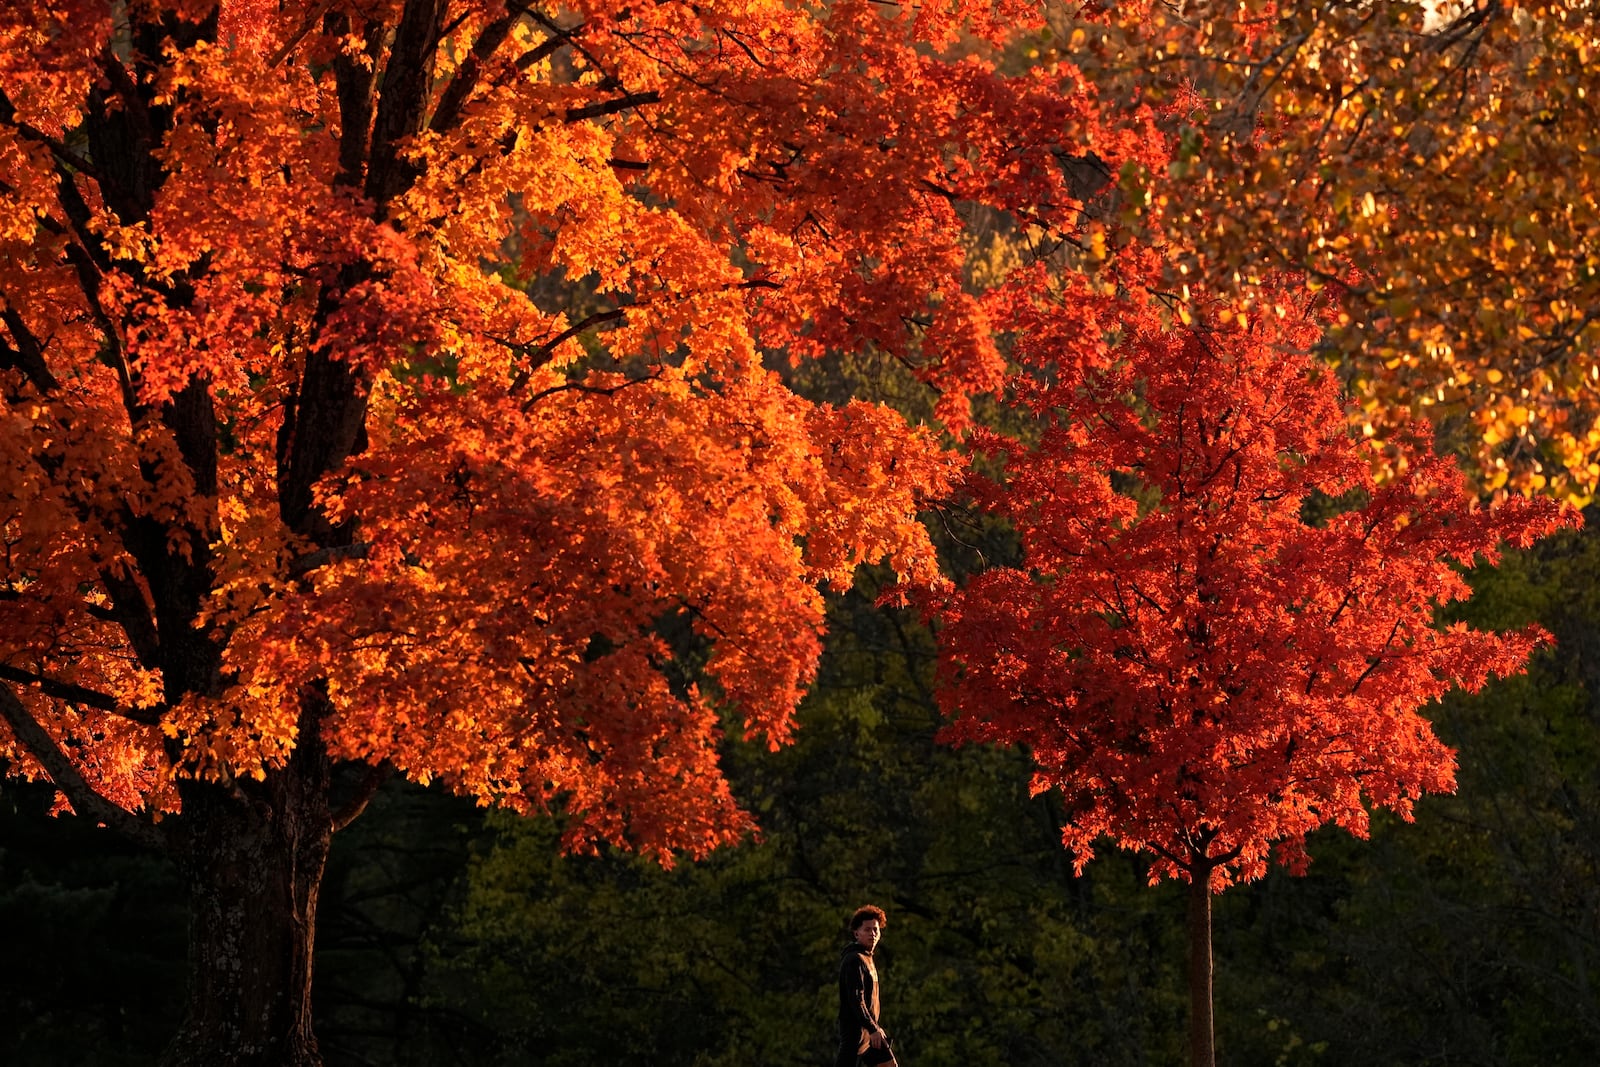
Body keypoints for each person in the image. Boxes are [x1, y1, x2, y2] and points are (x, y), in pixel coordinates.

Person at [835, 904, 896, 1066]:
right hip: (855, 1033)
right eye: (867, 930)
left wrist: (875, 1027)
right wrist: (872, 1028)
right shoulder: (854, 959)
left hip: (870, 1031)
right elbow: (856, 999)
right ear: (856, 933)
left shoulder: (867, 957)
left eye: (876, 929)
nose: (873, 934)